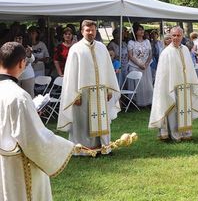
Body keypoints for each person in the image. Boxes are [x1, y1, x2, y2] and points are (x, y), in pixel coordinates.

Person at [0, 42, 74, 200]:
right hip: (17, 166)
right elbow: (33, 138)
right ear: (22, 63)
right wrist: (66, 147)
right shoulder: (19, 97)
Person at [57, 20, 120, 156]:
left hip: (101, 92)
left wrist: (109, 90)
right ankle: (84, 150)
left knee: (102, 119)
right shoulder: (76, 49)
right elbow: (71, 75)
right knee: (83, 122)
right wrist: (75, 95)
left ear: (96, 31)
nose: (91, 32)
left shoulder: (102, 48)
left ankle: (104, 146)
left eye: (93, 30)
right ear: (82, 31)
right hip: (83, 94)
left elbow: (108, 69)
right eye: (87, 30)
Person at [149, 26, 198, 141]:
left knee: (185, 110)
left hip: (185, 86)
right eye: (174, 35)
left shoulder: (185, 50)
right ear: (170, 36)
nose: (176, 38)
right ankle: (174, 134)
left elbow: (189, 68)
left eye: (178, 35)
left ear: (182, 36)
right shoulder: (166, 53)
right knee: (173, 112)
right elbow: (162, 75)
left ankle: (186, 133)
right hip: (171, 87)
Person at [127, 24, 154, 107]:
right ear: (135, 32)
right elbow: (130, 55)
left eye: (142, 29)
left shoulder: (147, 41)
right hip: (135, 66)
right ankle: (136, 102)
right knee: (138, 85)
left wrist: (145, 64)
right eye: (139, 30)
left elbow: (150, 54)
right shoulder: (131, 42)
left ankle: (148, 102)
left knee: (147, 84)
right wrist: (139, 64)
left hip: (146, 66)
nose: (142, 31)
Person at [13, 33, 36, 98]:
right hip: (15, 77)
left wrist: (29, 55)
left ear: (23, 39)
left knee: (29, 97)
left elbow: (32, 60)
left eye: (20, 38)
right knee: (16, 97)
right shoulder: (10, 49)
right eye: (16, 38)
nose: (17, 40)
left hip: (28, 77)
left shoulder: (26, 48)